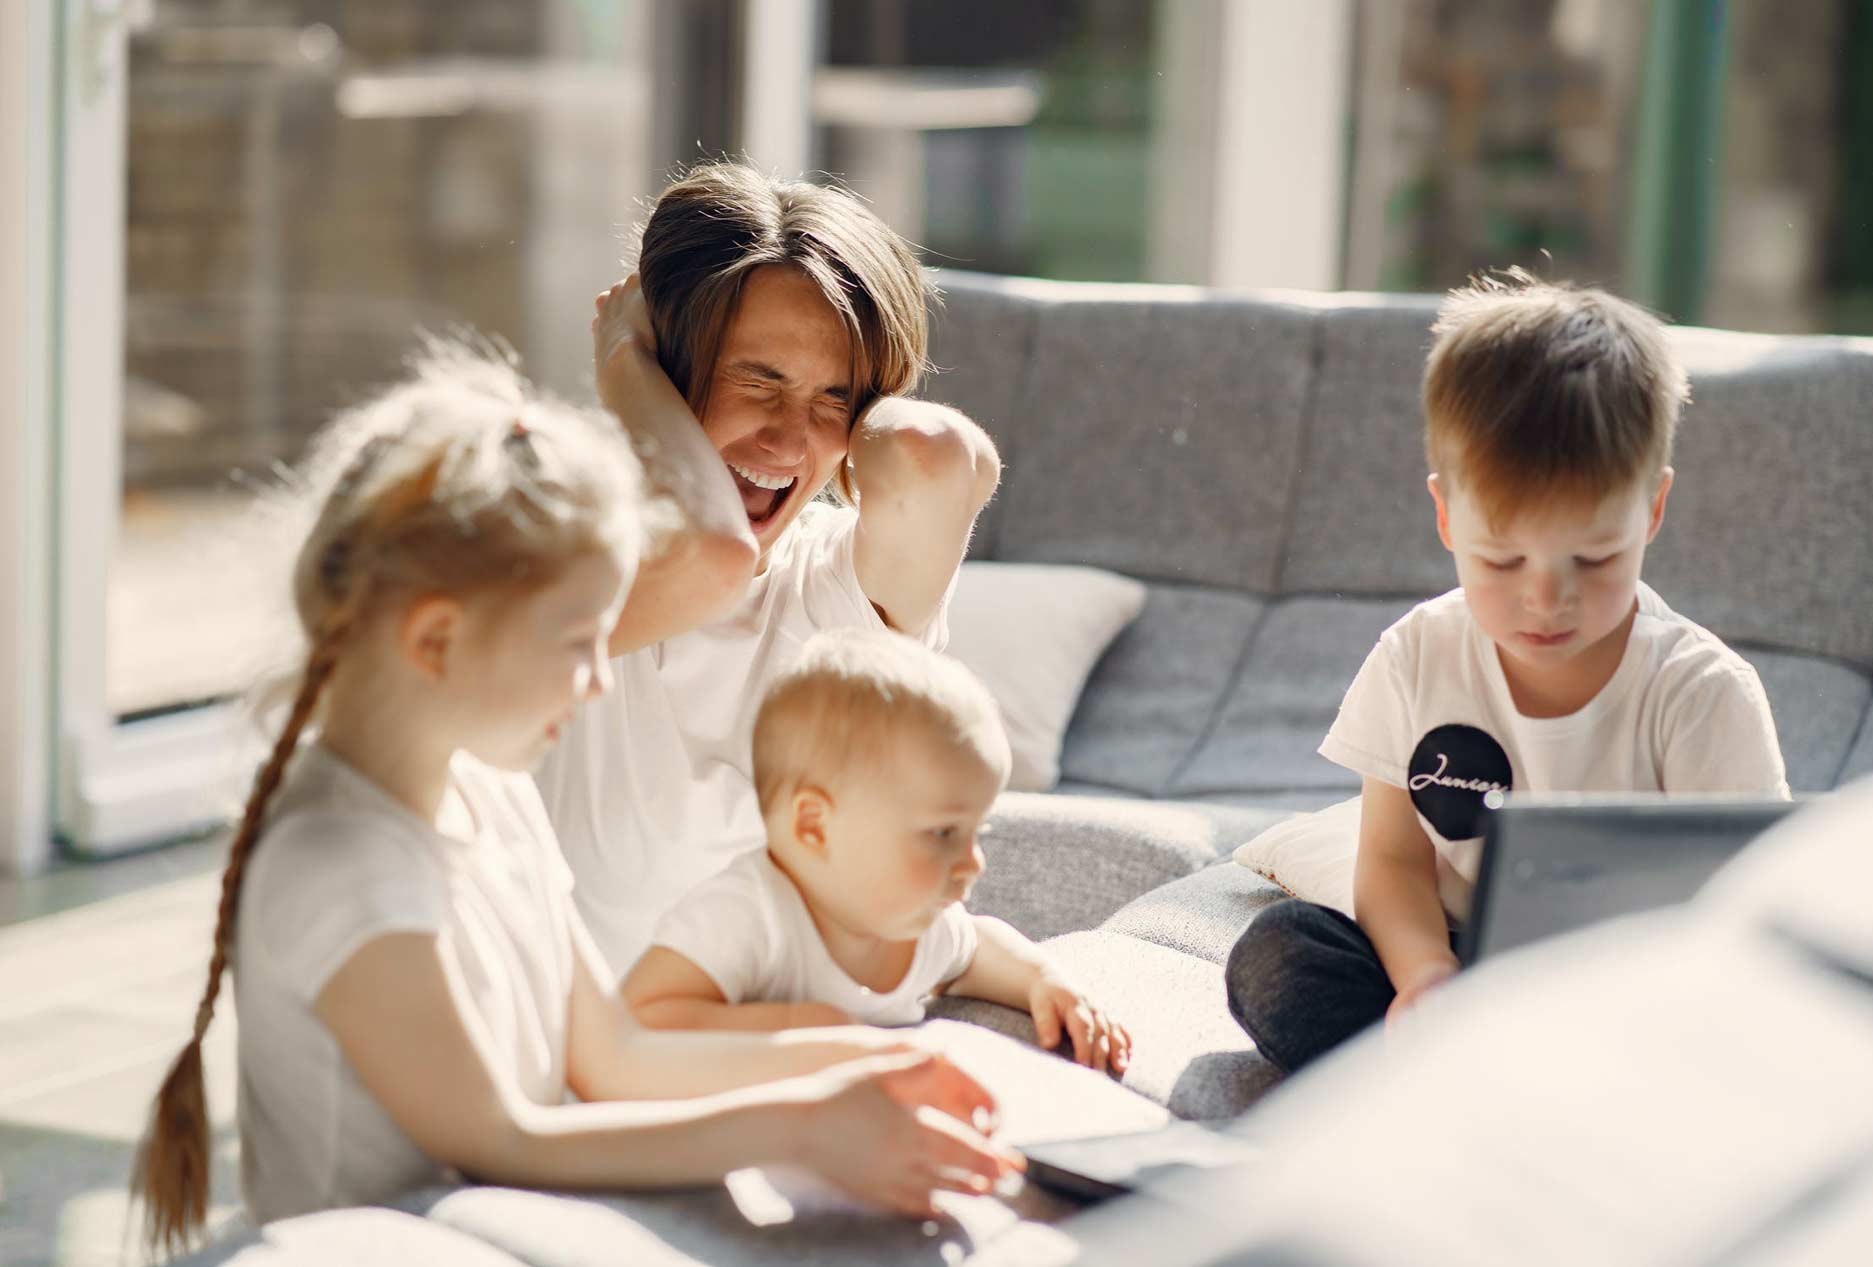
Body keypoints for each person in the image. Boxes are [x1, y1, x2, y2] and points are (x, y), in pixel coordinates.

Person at [129, 344, 1020, 1259]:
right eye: (578, 643)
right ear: (438, 639)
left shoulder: (494, 794)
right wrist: (798, 1128)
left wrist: (876, 1062)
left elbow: (616, 1055)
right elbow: (500, 1137)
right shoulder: (340, 862)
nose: (600, 680)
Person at [1223, 271, 1790, 1076]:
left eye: (1594, 559)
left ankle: (1474, 1091)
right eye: (1501, 558)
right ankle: (1463, 1083)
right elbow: (1390, 862)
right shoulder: (1418, 653)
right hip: (1458, 964)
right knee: (1279, 958)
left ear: (1652, 511)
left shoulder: (1699, 692)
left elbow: (1743, 907)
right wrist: (1423, 973)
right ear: (1447, 515)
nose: (1546, 598)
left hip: (1622, 988)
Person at [535, 161, 1002, 985]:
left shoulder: (830, 586)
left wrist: (866, 393)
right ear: (667, 366)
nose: (790, 444)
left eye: (835, 399)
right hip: (571, 1060)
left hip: (749, 1063)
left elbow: (936, 459)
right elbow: (711, 557)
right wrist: (625, 370)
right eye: (756, 380)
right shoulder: (557, 555)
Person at [621, 629, 1132, 1073]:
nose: (975, 862)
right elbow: (639, 1017)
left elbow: (974, 951)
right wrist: (797, 1025)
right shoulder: (746, 914)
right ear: (815, 826)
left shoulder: (917, 925)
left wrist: (1043, 981)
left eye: (979, 832)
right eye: (942, 833)